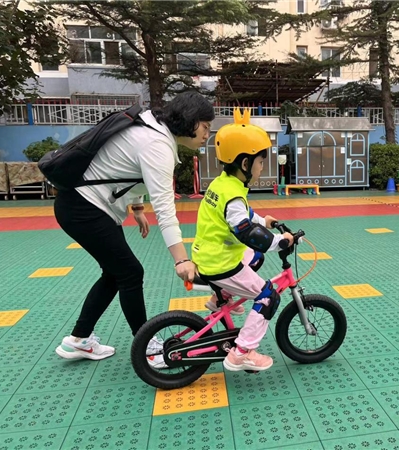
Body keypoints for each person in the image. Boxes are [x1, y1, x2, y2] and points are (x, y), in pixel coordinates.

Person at [54, 91, 214, 364]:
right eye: (205, 126)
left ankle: (79, 339)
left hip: (82, 206)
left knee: (115, 274)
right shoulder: (157, 144)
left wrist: (138, 208)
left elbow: (127, 165)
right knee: (130, 272)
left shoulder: (150, 125)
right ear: (189, 119)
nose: (207, 134)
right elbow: (165, 208)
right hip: (84, 209)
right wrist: (182, 259)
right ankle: (148, 347)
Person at [191, 108, 293, 372]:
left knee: (254, 258)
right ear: (245, 164)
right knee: (268, 296)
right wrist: (278, 241)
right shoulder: (234, 195)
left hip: (207, 254)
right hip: (221, 263)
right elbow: (245, 232)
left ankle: (220, 297)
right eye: (260, 161)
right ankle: (243, 352)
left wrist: (262, 220)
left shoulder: (223, 183)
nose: (262, 167)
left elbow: (241, 216)